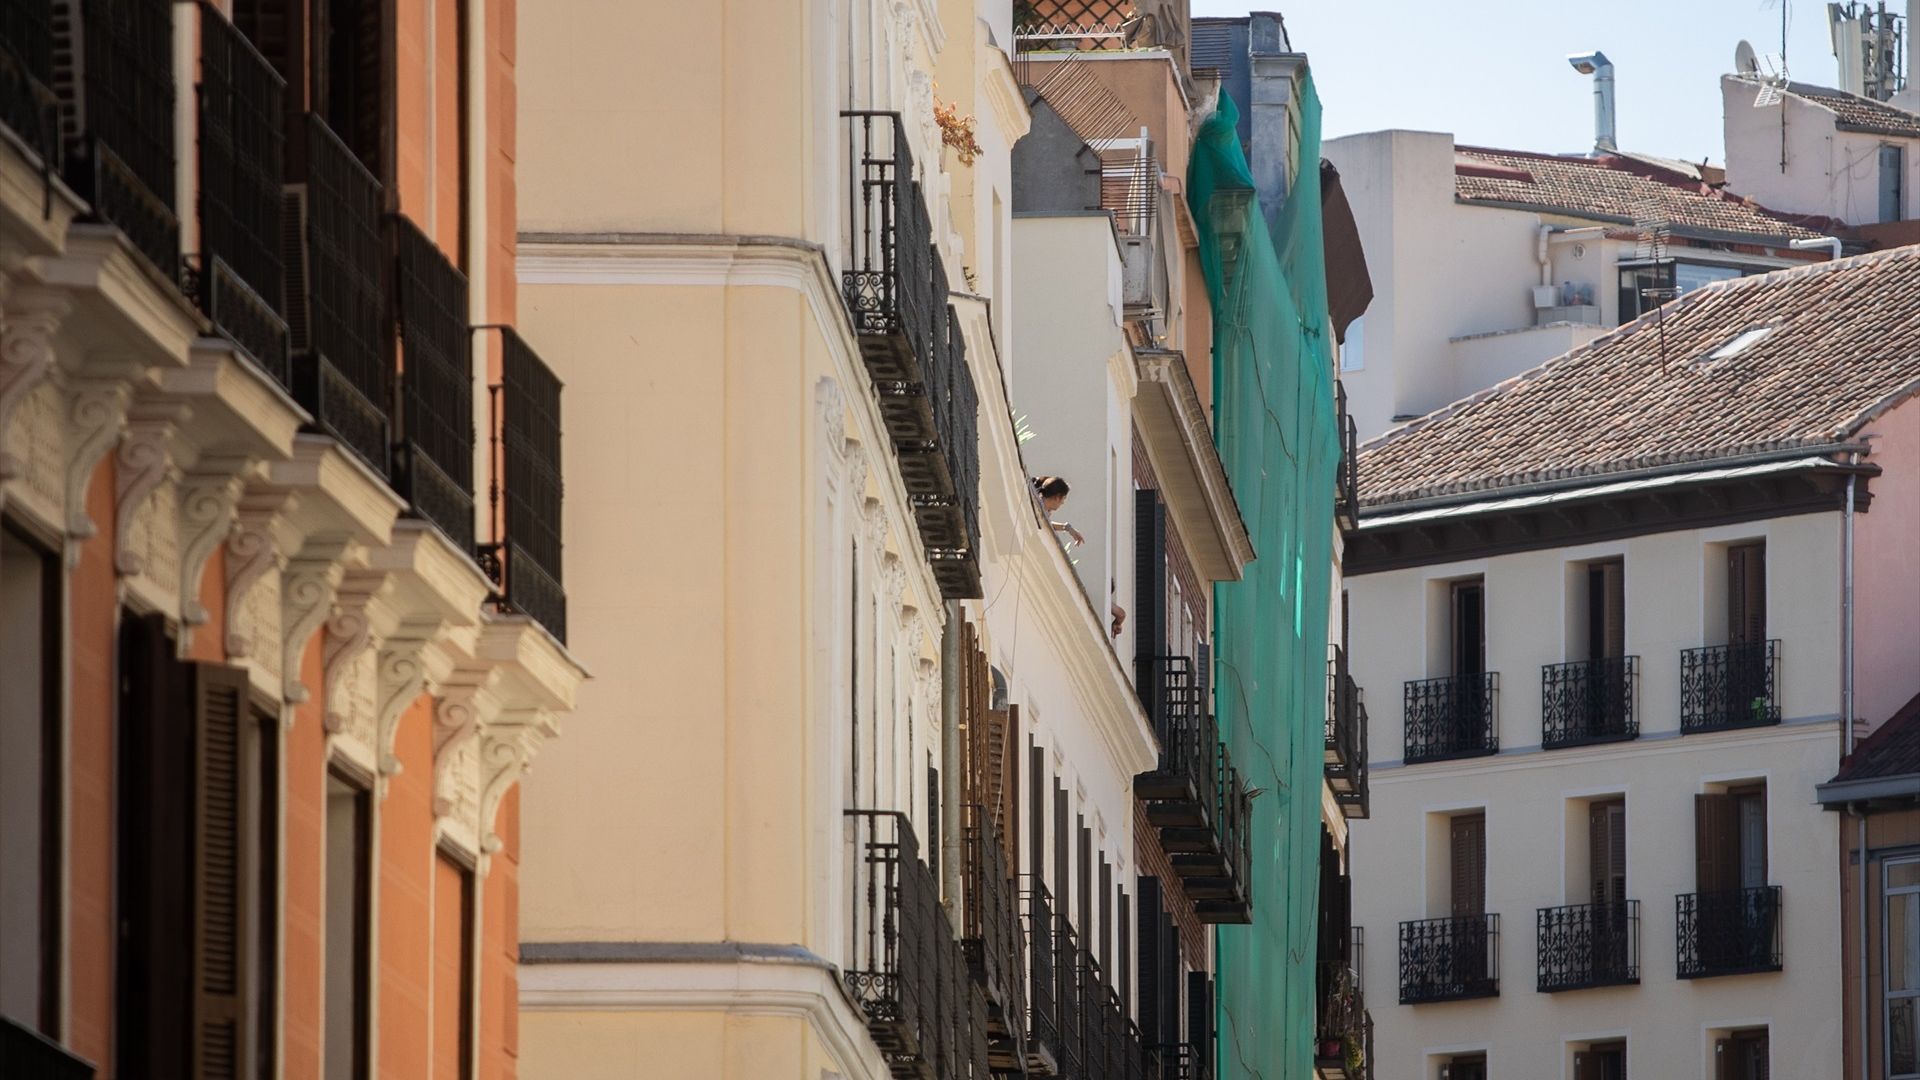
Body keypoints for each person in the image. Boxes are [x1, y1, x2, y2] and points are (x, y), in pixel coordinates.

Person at [1032, 476, 1084, 546]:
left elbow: (1046, 524)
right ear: (1057, 497)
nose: (1063, 503)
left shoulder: (1040, 507)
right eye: (1064, 498)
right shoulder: (1035, 507)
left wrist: (1067, 528)